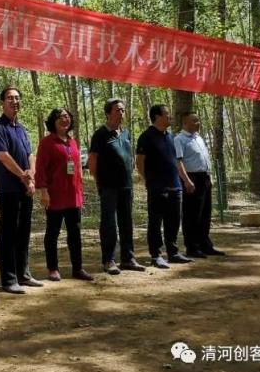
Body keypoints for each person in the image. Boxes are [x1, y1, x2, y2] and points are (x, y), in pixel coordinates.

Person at [0, 86, 43, 295]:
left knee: (24, 232)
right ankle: (9, 279)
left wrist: (31, 178)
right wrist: (22, 175)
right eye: (10, 98)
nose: (14, 101)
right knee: (8, 233)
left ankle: (24, 274)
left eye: (17, 98)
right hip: (8, 189)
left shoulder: (22, 129)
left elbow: (30, 155)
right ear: (2, 103)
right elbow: (3, 156)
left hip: (25, 188)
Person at [35, 108, 93, 282]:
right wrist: (43, 191)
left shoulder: (73, 142)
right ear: (53, 121)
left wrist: (81, 190)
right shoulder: (47, 142)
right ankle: (52, 268)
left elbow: (77, 169)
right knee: (52, 233)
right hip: (55, 196)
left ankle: (78, 268)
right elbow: (41, 169)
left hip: (73, 196)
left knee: (75, 233)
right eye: (60, 117)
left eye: (67, 117)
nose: (64, 120)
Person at [89, 98, 146, 275]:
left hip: (126, 186)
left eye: (123, 110)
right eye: (117, 110)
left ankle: (128, 259)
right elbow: (92, 162)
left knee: (126, 222)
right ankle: (109, 260)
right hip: (108, 186)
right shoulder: (100, 134)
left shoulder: (126, 133)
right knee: (109, 224)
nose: (121, 113)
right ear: (108, 113)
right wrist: (99, 181)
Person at [135, 104, 193, 269]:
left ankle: (173, 253)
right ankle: (156, 255)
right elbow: (139, 162)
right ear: (157, 116)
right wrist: (148, 179)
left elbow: (177, 162)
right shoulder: (146, 136)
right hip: (157, 188)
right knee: (155, 222)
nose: (170, 117)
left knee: (174, 221)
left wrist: (186, 181)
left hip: (175, 187)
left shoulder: (171, 137)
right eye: (167, 114)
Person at [174, 112, 226, 258]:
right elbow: (179, 161)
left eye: (198, 120)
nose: (198, 123)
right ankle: (192, 247)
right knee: (192, 214)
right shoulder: (179, 139)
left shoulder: (199, 138)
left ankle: (205, 245)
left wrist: (210, 177)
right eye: (195, 120)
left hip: (205, 178)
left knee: (205, 213)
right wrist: (186, 180)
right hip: (192, 178)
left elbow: (204, 158)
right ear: (185, 122)